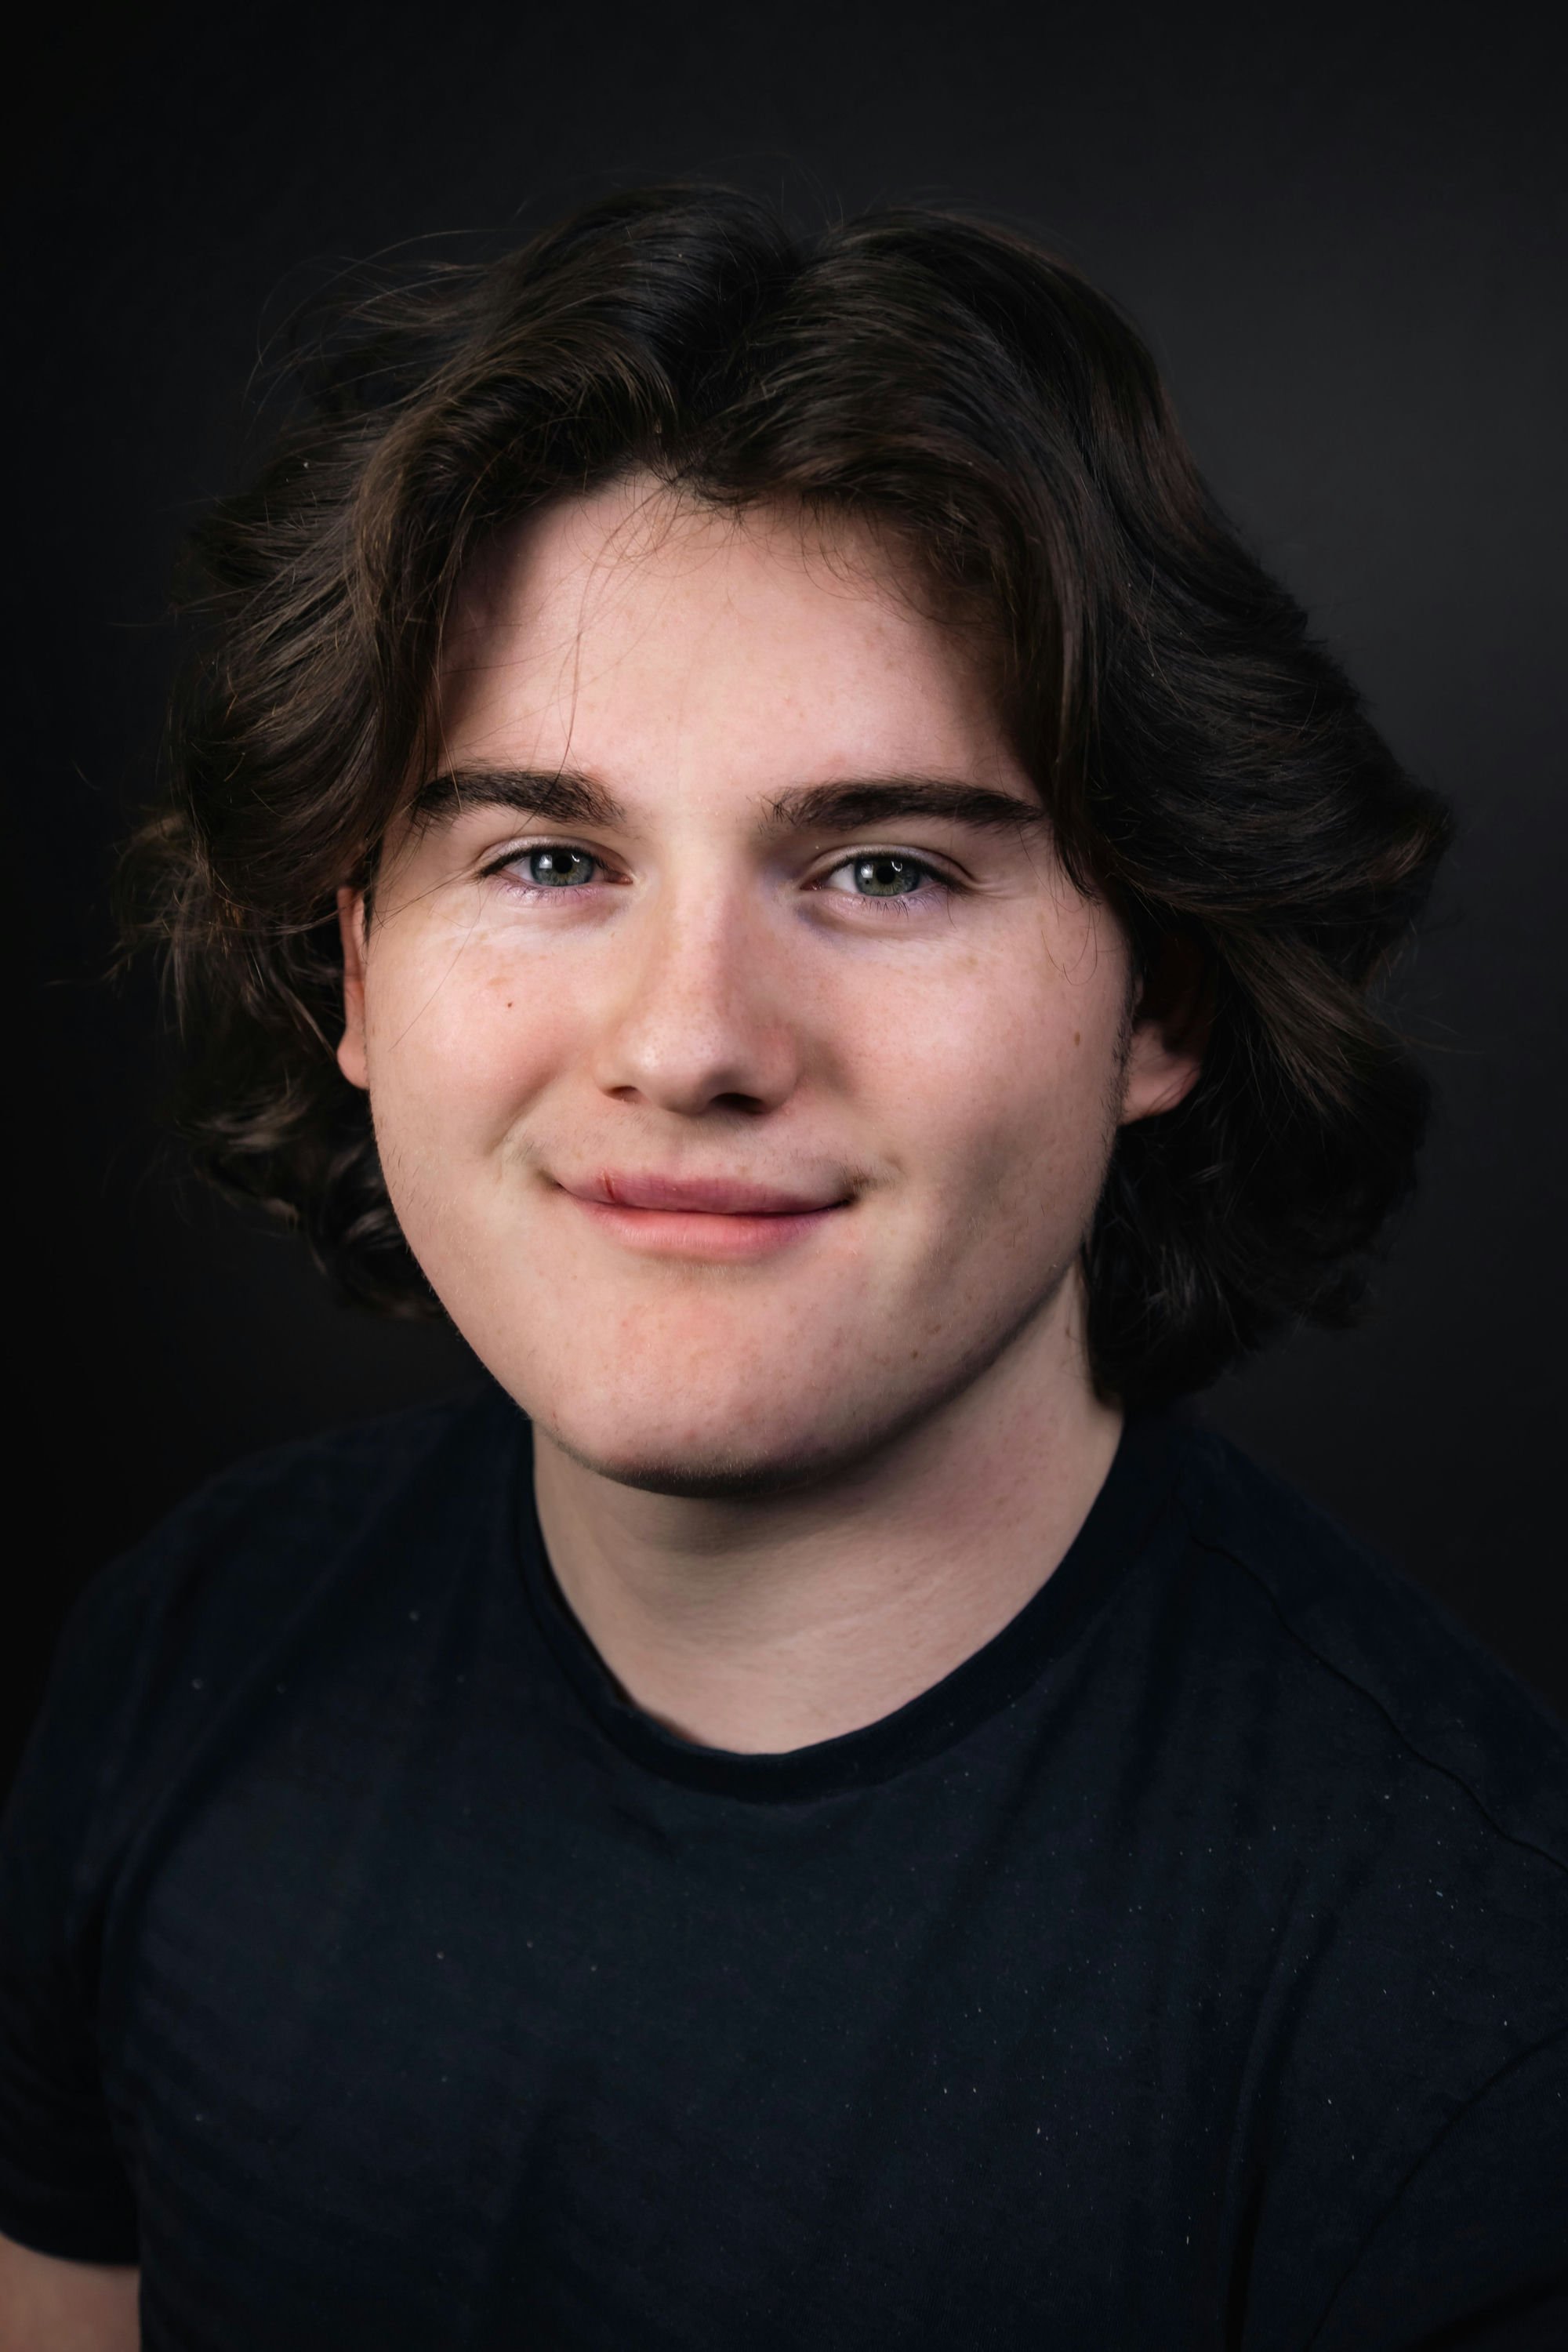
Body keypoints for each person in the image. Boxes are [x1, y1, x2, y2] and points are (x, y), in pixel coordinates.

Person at [1, 183, 1563, 2352]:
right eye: (549, 857)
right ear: (353, 971)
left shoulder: (1477, 2002)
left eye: (888, 866)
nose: (692, 1040)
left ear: (1165, 1008)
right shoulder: (185, 1654)